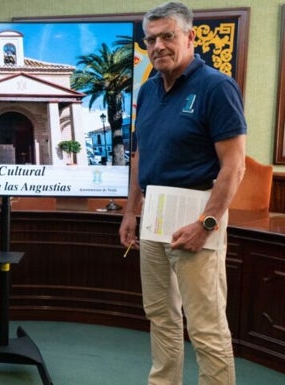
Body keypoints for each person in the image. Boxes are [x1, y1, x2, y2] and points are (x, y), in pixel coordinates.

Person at [119, 2, 246, 385]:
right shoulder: (149, 89)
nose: (158, 45)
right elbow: (142, 155)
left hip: (197, 215)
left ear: (190, 37)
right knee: (160, 315)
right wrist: (130, 211)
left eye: (167, 36)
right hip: (154, 216)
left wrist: (206, 224)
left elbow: (234, 166)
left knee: (206, 327)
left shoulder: (216, 87)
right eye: (151, 38)